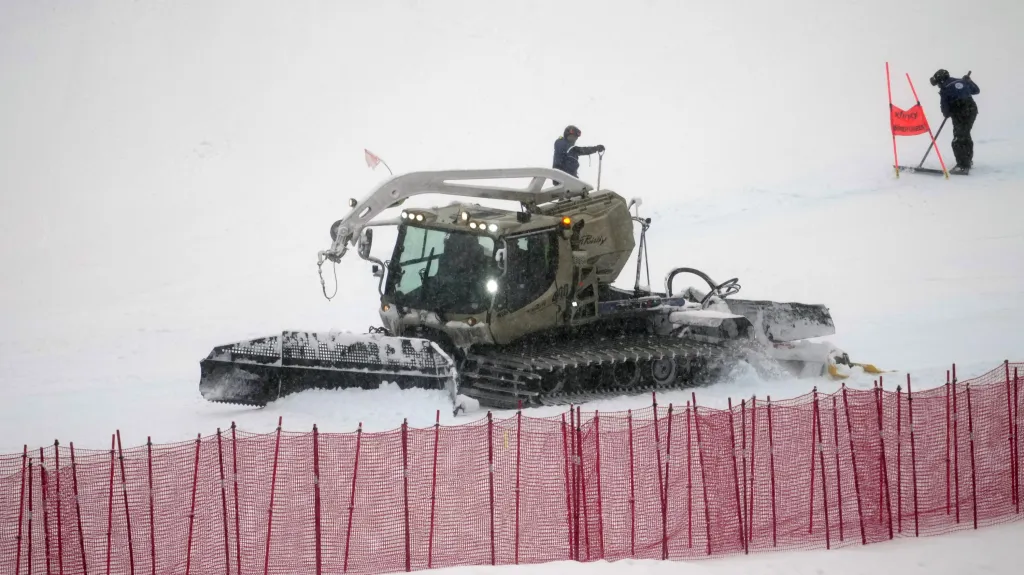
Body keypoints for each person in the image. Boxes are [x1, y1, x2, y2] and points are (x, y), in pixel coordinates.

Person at [930, 69, 980, 173]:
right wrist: (969, 81)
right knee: (965, 135)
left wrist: (947, 112)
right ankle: (967, 161)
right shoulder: (962, 81)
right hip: (971, 110)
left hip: (960, 112)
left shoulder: (945, 88)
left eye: (938, 84)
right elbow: (976, 90)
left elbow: (945, 110)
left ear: (941, 81)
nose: (938, 86)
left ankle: (962, 165)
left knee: (958, 139)